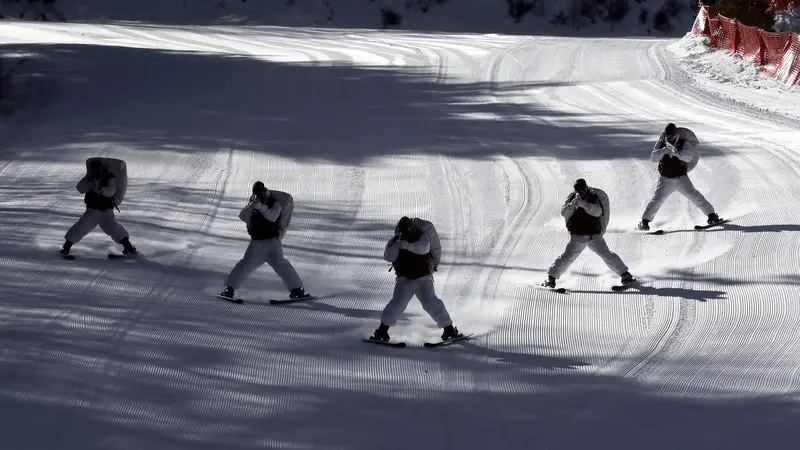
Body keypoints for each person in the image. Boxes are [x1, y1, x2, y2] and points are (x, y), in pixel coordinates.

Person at [369, 216, 462, 342]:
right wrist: (397, 245)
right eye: (402, 231)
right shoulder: (396, 239)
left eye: (407, 230)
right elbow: (388, 256)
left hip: (423, 278)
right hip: (404, 280)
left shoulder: (421, 236)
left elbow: (424, 248)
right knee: (397, 304)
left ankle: (449, 329)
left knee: (431, 303)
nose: (405, 233)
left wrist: (408, 246)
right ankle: (382, 331)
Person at [219, 181, 310, 300]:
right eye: (257, 193)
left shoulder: (274, 203)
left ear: (265, 190)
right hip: (256, 243)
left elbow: (273, 217)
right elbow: (243, 216)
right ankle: (229, 289)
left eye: (261, 192)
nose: (260, 195)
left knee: (282, 266)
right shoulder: (254, 203)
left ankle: (297, 290)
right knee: (244, 265)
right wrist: (252, 205)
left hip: (272, 242)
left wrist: (261, 207)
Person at [542, 179, 636, 289]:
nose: (581, 192)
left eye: (583, 189)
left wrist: (585, 205)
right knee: (567, 258)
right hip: (578, 235)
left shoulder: (594, 197)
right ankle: (551, 278)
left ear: (586, 187)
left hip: (594, 235)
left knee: (606, 255)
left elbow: (598, 212)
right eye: (579, 191)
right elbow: (564, 213)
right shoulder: (572, 198)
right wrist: (572, 206)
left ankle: (625, 275)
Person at [636, 123, 723, 231]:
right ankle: (644, 222)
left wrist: (677, 153)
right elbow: (653, 157)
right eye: (668, 135)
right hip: (666, 179)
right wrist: (663, 151)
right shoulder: (661, 143)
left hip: (681, 178)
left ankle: (712, 216)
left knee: (695, 196)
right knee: (657, 200)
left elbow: (689, 157)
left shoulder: (684, 143)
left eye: (672, 135)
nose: (670, 137)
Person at [60, 159, 137, 257]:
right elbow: (80, 188)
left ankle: (128, 247)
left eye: (98, 169)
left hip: (106, 212)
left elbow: (111, 191)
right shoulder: (90, 178)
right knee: (80, 227)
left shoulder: (109, 177)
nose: (96, 171)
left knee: (113, 228)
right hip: (92, 211)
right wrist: (90, 183)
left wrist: (101, 189)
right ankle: (66, 248)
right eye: (94, 169)